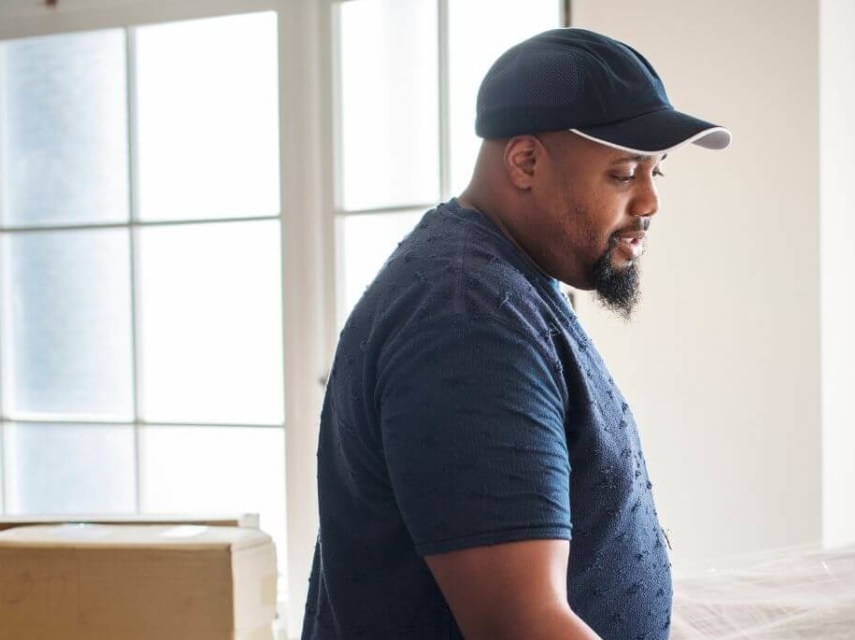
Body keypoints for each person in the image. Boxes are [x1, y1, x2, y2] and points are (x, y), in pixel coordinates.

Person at [303, 28, 730, 639]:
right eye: (624, 172)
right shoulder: (465, 317)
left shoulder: (501, 277)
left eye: (658, 172)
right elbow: (520, 626)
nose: (650, 201)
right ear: (525, 161)